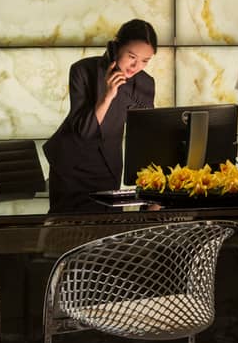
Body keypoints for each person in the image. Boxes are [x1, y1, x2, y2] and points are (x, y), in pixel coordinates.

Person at [44, 19, 157, 215]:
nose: (136, 66)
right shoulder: (82, 70)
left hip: (107, 166)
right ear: (117, 47)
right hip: (71, 164)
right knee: (66, 229)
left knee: (107, 228)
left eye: (145, 61)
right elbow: (84, 131)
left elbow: (146, 137)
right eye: (131, 57)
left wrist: (154, 187)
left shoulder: (145, 83)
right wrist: (107, 96)